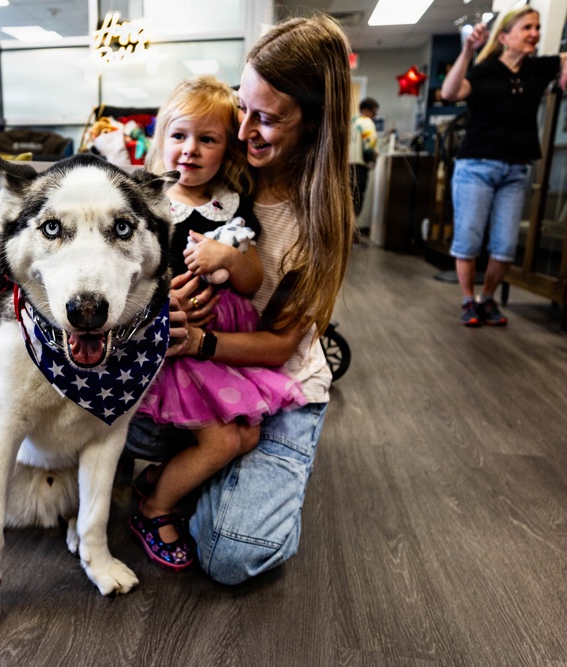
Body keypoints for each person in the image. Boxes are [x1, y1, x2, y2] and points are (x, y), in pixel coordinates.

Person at [125, 14, 353, 584]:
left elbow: (280, 345)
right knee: (156, 429)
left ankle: (208, 488)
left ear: (314, 123)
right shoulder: (221, 181)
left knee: (231, 555)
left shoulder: (318, 219)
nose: (244, 128)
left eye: (267, 118)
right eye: (240, 107)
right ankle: (209, 479)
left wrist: (200, 337)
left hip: (277, 375)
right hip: (194, 365)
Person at [130, 75, 306, 571]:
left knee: (247, 435)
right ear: (160, 138)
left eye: (207, 140)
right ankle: (154, 509)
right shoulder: (144, 203)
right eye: (179, 136)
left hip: (219, 343)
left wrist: (227, 253)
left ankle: (159, 482)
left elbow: (250, 281)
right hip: (172, 350)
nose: (190, 150)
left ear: (226, 149)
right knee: (225, 439)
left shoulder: (231, 204)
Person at [441, 7, 567, 327]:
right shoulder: (484, 71)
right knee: (468, 239)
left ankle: (487, 298)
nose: (535, 33)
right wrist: (468, 50)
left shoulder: (537, 68)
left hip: (516, 169)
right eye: (526, 27)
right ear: (505, 36)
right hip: (476, 167)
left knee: (506, 245)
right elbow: (450, 92)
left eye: (537, 27)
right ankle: (468, 300)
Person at [349, 97, 379, 216]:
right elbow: (369, 148)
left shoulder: (350, 121)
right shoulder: (367, 122)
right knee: (355, 205)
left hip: (343, 168)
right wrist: (373, 158)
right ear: (367, 110)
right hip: (358, 168)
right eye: (374, 113)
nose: (375, 116)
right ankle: (350, 233)